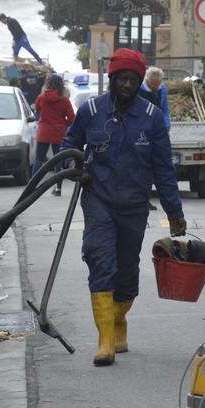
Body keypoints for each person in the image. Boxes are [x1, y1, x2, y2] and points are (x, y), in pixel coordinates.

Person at [61, 48, 187, 366]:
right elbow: (69, 144)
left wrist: (174, 212)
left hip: (134, 204)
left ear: (140, 80)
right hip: (98, 198)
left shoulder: (151, 117)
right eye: (123, 79)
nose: (128, 85)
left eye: (133, 80)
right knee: (99, 258)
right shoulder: (90, 110)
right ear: (112, 79)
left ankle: (118, 320)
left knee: (127, 271)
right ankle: (105, 341)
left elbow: (163, 169)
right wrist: (75, 167)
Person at [33, 73, 75, 196]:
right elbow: (71, 118)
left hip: (44, 132)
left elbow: (38, 110)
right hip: (59, 132)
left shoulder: (41, 98)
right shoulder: (65, 100)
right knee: (58, 160)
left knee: (39, 159)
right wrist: (64, 124)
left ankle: (32, 187)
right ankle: (58, 188)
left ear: (48, 84)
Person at [138, 66, 171, 210]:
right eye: (155, 84)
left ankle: (148, 198)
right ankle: (142, 199)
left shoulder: (162, 89)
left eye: (159, 83)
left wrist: (166, 127)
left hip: (155, 130)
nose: (157, 86)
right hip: (141, 131)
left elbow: (164, 109)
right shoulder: (139, 89)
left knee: (155, 166)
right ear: (148, 80)